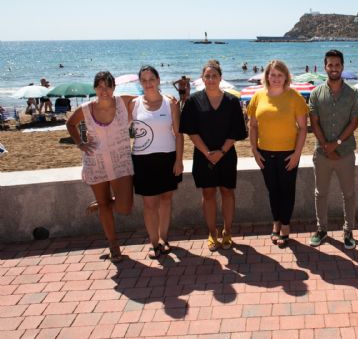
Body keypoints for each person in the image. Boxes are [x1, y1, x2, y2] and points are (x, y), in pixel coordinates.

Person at [65, 71, 135, 263]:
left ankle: (105, 205)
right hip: (95, 162)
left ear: (114, 87)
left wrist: (170, 97)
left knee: (125, 206)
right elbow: (70, 124)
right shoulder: (86, 109)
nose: (104, 90)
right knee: (105, 205)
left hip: (121, 162)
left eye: (108, 86)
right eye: (100, 86)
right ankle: (114, 246)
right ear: (95, 88)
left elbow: (148, 97)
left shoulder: (124, 102)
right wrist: (80, 143)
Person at [180, 60, 248, 251]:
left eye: (214, 76)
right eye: (207, 76)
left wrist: (222, 152)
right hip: (203, 155)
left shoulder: (232, 101)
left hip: (226, 154)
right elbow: (191, 131)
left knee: (227, 192)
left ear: (220, 77)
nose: (211, 79)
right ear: (202, 78)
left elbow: (237, 131)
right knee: (208, 194)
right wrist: (207, 153)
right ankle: (212, 233)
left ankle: (227, 231)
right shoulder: (193, 101)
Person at [247, 60, 308, 248]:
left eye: (280, 75)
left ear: (286, 77)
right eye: (272, 75)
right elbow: (253, 125)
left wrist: (297, 153)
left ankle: (286, 227)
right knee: (273, 191)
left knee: (287, 191)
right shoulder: (257, 97)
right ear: (267, 76)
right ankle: (276, 222)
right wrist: (255, 151)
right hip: (265, 153)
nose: (275, 78)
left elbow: (303, 129)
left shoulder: (294, 97)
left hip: (288, 154)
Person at [308, 50, 358, 249]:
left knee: (348, 193)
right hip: (321, 154)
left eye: (337, 65)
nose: (333, 68)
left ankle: (348, 230)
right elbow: (314, 123)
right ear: (325, 67)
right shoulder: (315, 93)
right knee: (320, 193)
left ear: (342, 66)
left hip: (345, 152)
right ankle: (321, 229)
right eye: (330, 65)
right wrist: (326, 146)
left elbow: (354, 123)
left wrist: (336, 144)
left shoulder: (353, 93)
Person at [131, 66, 184, 259]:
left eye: (151, 79)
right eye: (144, 80)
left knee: (166, 200)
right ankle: (154, 243)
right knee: (149, 204)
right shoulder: (134, 104)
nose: (148, 83)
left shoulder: (170, 103)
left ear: (158, 79)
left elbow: (178, 135)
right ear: (140, 83)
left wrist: (179, 160)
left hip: (167, 157)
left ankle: (164, 239)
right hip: (142, 160)